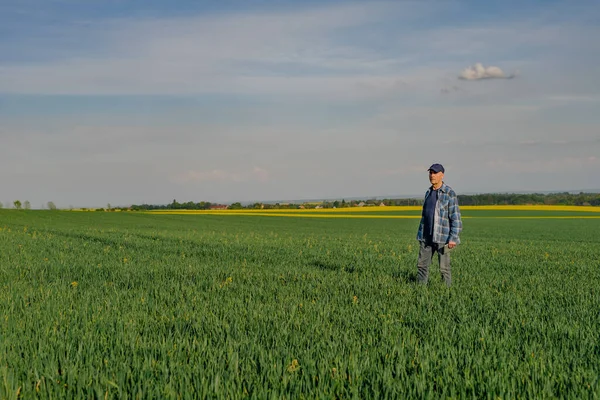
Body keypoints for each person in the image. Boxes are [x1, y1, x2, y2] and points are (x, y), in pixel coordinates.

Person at [415, 163, 462, 286]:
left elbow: (456, 218)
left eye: (435, 173)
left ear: (442, 175)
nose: (432, 175)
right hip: (426, 237)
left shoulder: (449, 193)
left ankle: (446, 293)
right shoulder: (428, 193)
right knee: (421, 266)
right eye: (430, 172)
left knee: (444, 268)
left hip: (443, 237)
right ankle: (420, 290)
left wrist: (453, 239)